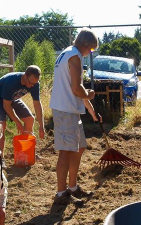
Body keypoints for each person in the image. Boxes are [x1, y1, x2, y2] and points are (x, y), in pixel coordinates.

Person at [49, 28, 100, 206]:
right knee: (66, 151)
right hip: (65, 111)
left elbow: (77, 91)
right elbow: (78, 90)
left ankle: (73, 187)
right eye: (92, 49)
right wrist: (90, 95)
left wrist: (93, 112)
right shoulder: (74, 56)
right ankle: (61, 193)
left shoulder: (67, 53)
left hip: (70, 110)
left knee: (79, 148)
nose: (90, 53)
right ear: (86, 44)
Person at [0, 65, 45, 155]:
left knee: (30, 119)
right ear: (25, 76)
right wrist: (18, 122)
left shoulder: (34, 84)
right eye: (30, 83)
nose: (31, 86)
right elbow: (6, 106)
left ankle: (26, 152)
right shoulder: (12, 82)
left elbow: (37, 104)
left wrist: (41, 125)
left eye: (34, 84)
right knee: (2, 124)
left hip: (12, 98)